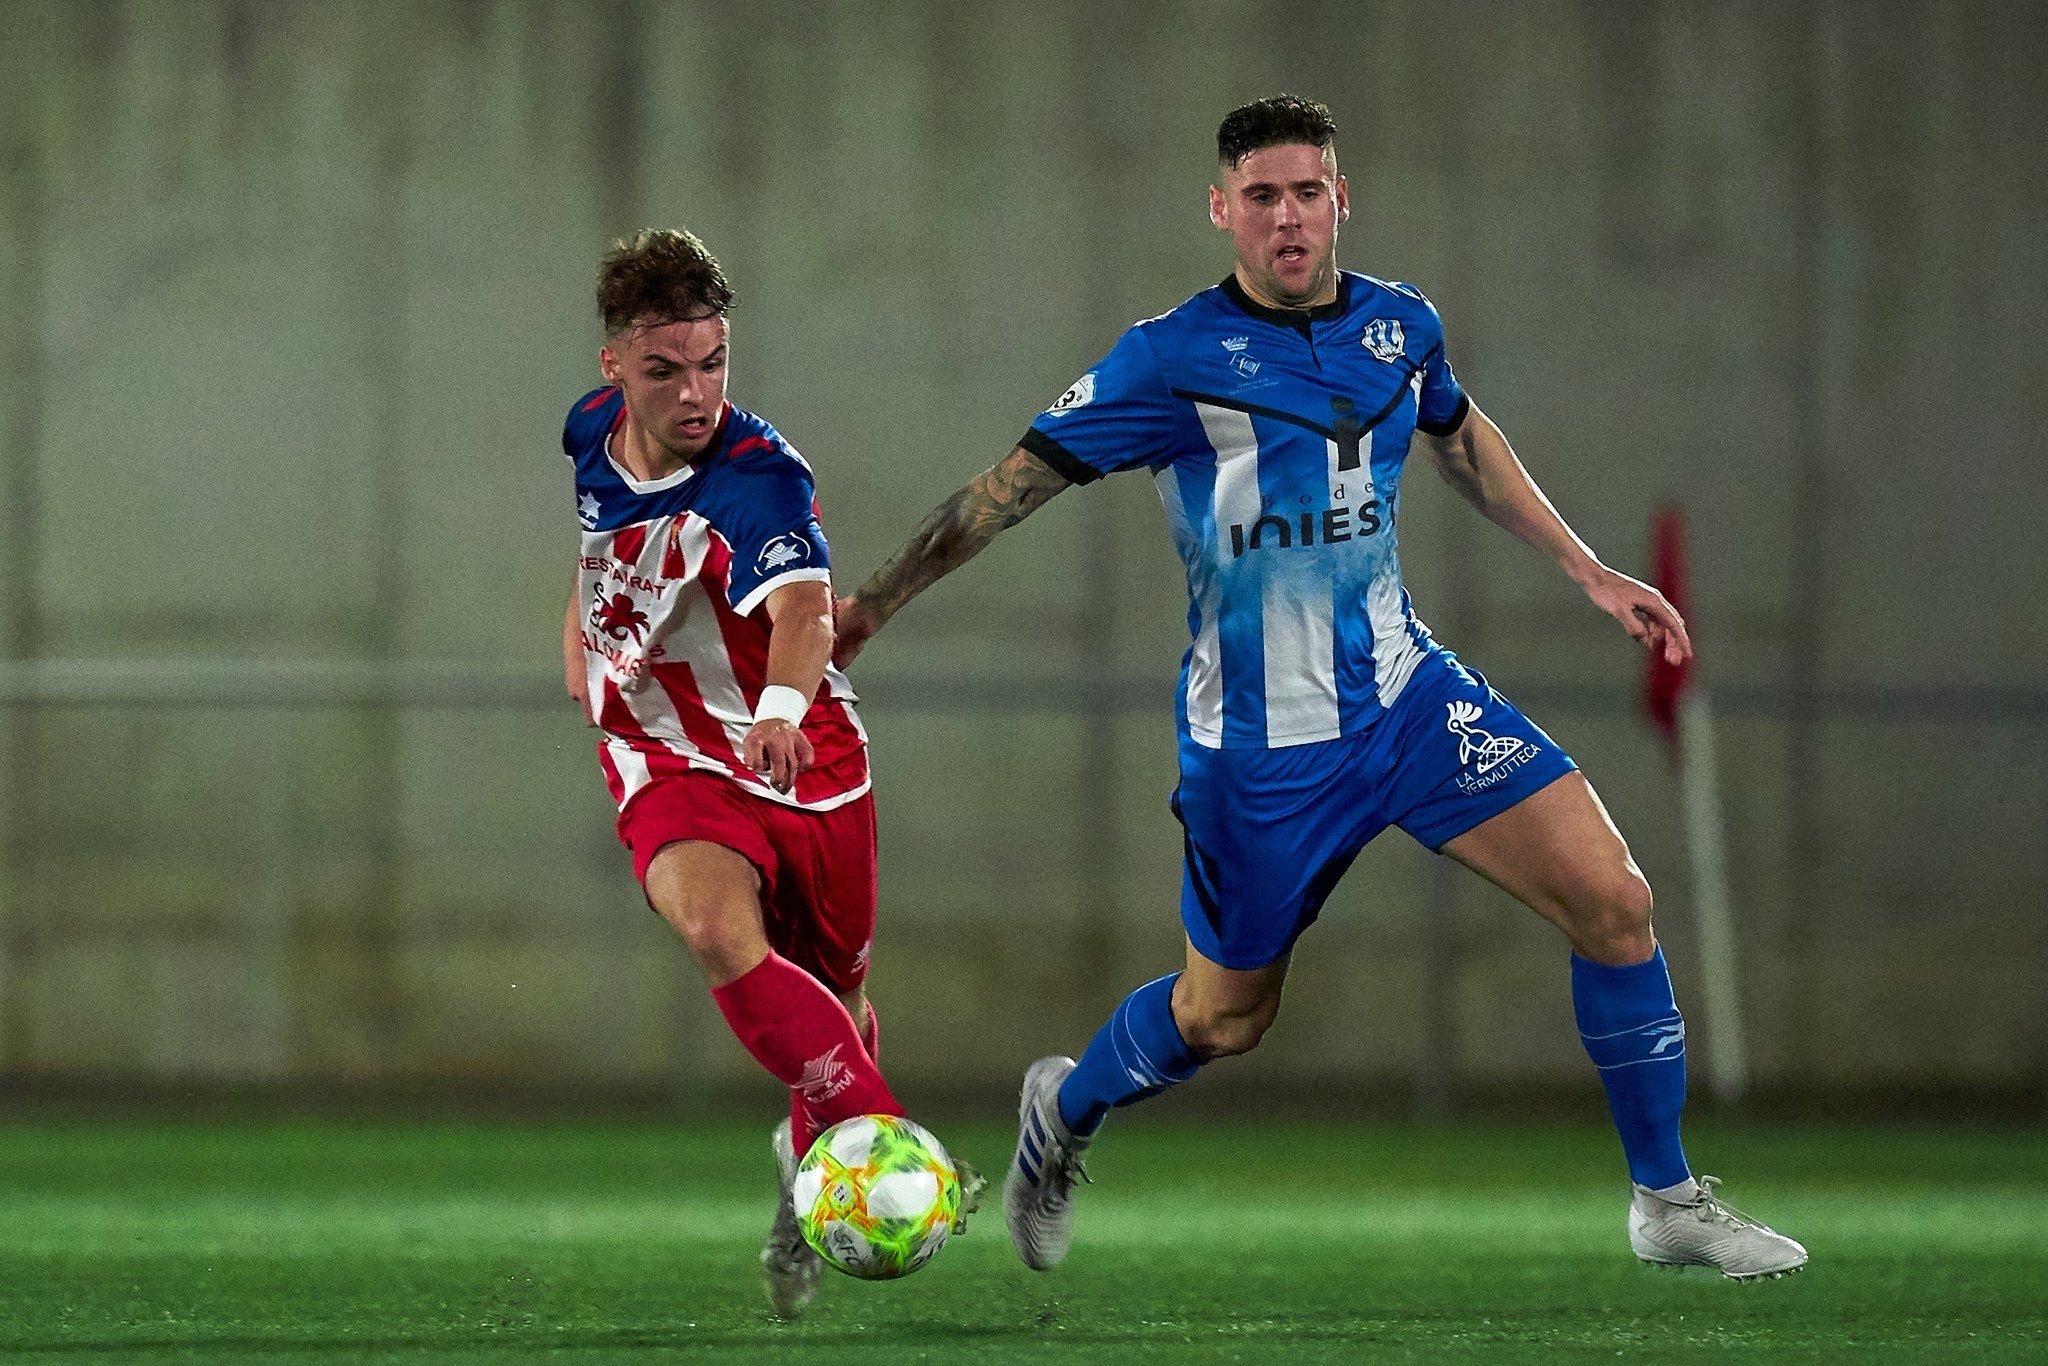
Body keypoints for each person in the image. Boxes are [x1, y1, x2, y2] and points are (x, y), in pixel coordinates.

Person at [833, 97, 1805, 1281]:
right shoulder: (1167, 356)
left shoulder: (1400, 328)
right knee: (1222, 1019)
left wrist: (1585, 567)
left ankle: (1663, 1199)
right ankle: (1066, 1108)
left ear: (1340, 199)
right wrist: (876, 601)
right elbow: (1005, 488)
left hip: (1406, 702)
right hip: (1258, 756)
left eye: (1305, 193)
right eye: (1260, 197)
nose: (1285, 218)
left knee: (1613, 899)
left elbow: (1454, 435)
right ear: (1220, 211)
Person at [560, 228, 977, 1320]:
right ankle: (883, 1153)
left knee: (836, 1000)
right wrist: (586, 639)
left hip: (803, 762)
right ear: (614, 368)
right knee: (711, 924)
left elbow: (802, 612)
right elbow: (600, 532)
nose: (695, 392)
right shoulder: (588, 433)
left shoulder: (759, 479)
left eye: (712, 363)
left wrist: (783, 710)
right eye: (666, 370)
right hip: (664, 752)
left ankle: (806, 1188)